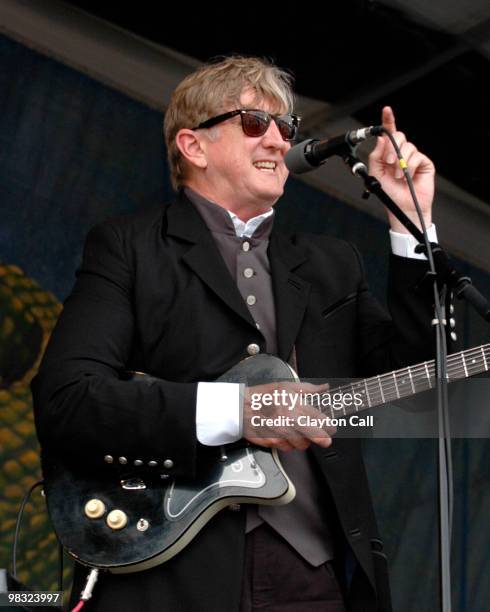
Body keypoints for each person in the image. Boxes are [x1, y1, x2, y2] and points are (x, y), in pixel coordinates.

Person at [32, 56, 440, 611]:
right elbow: (68, 400)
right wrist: (240, 411)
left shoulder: (329, 264)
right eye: (254, 122)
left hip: (314, 579)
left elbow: (418, 370)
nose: (278, 141)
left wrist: (413, 226)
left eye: (286, 127)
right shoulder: (130, 248)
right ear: (193, 146)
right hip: (172, 575)